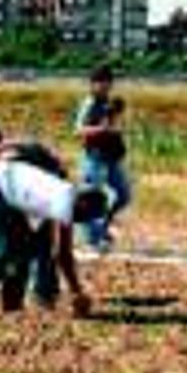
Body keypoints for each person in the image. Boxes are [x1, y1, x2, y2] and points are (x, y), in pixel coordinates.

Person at [0, 139, 105, 321]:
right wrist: (76, 291)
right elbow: (63, 253)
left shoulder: (65, 195)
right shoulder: (65, 200)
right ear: (83, 206)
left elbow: (52, 247)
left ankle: (12, 307)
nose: (80, 222)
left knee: (26, 248)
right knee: (3, 248)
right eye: (85, 218)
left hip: (12, 194)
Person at [74, 65, 131, 252]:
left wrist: (116, 122)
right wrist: (102, 129)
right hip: (94, 158)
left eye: (108, 83)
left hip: (111, 157)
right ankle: (92, 239)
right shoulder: (89, 104)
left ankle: (101, 229)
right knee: (91, 199)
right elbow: (78, 130)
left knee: (123, 195)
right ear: (92, 84)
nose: (106, 86)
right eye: (102, 83)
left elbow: (112, 127)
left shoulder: (107, 102)